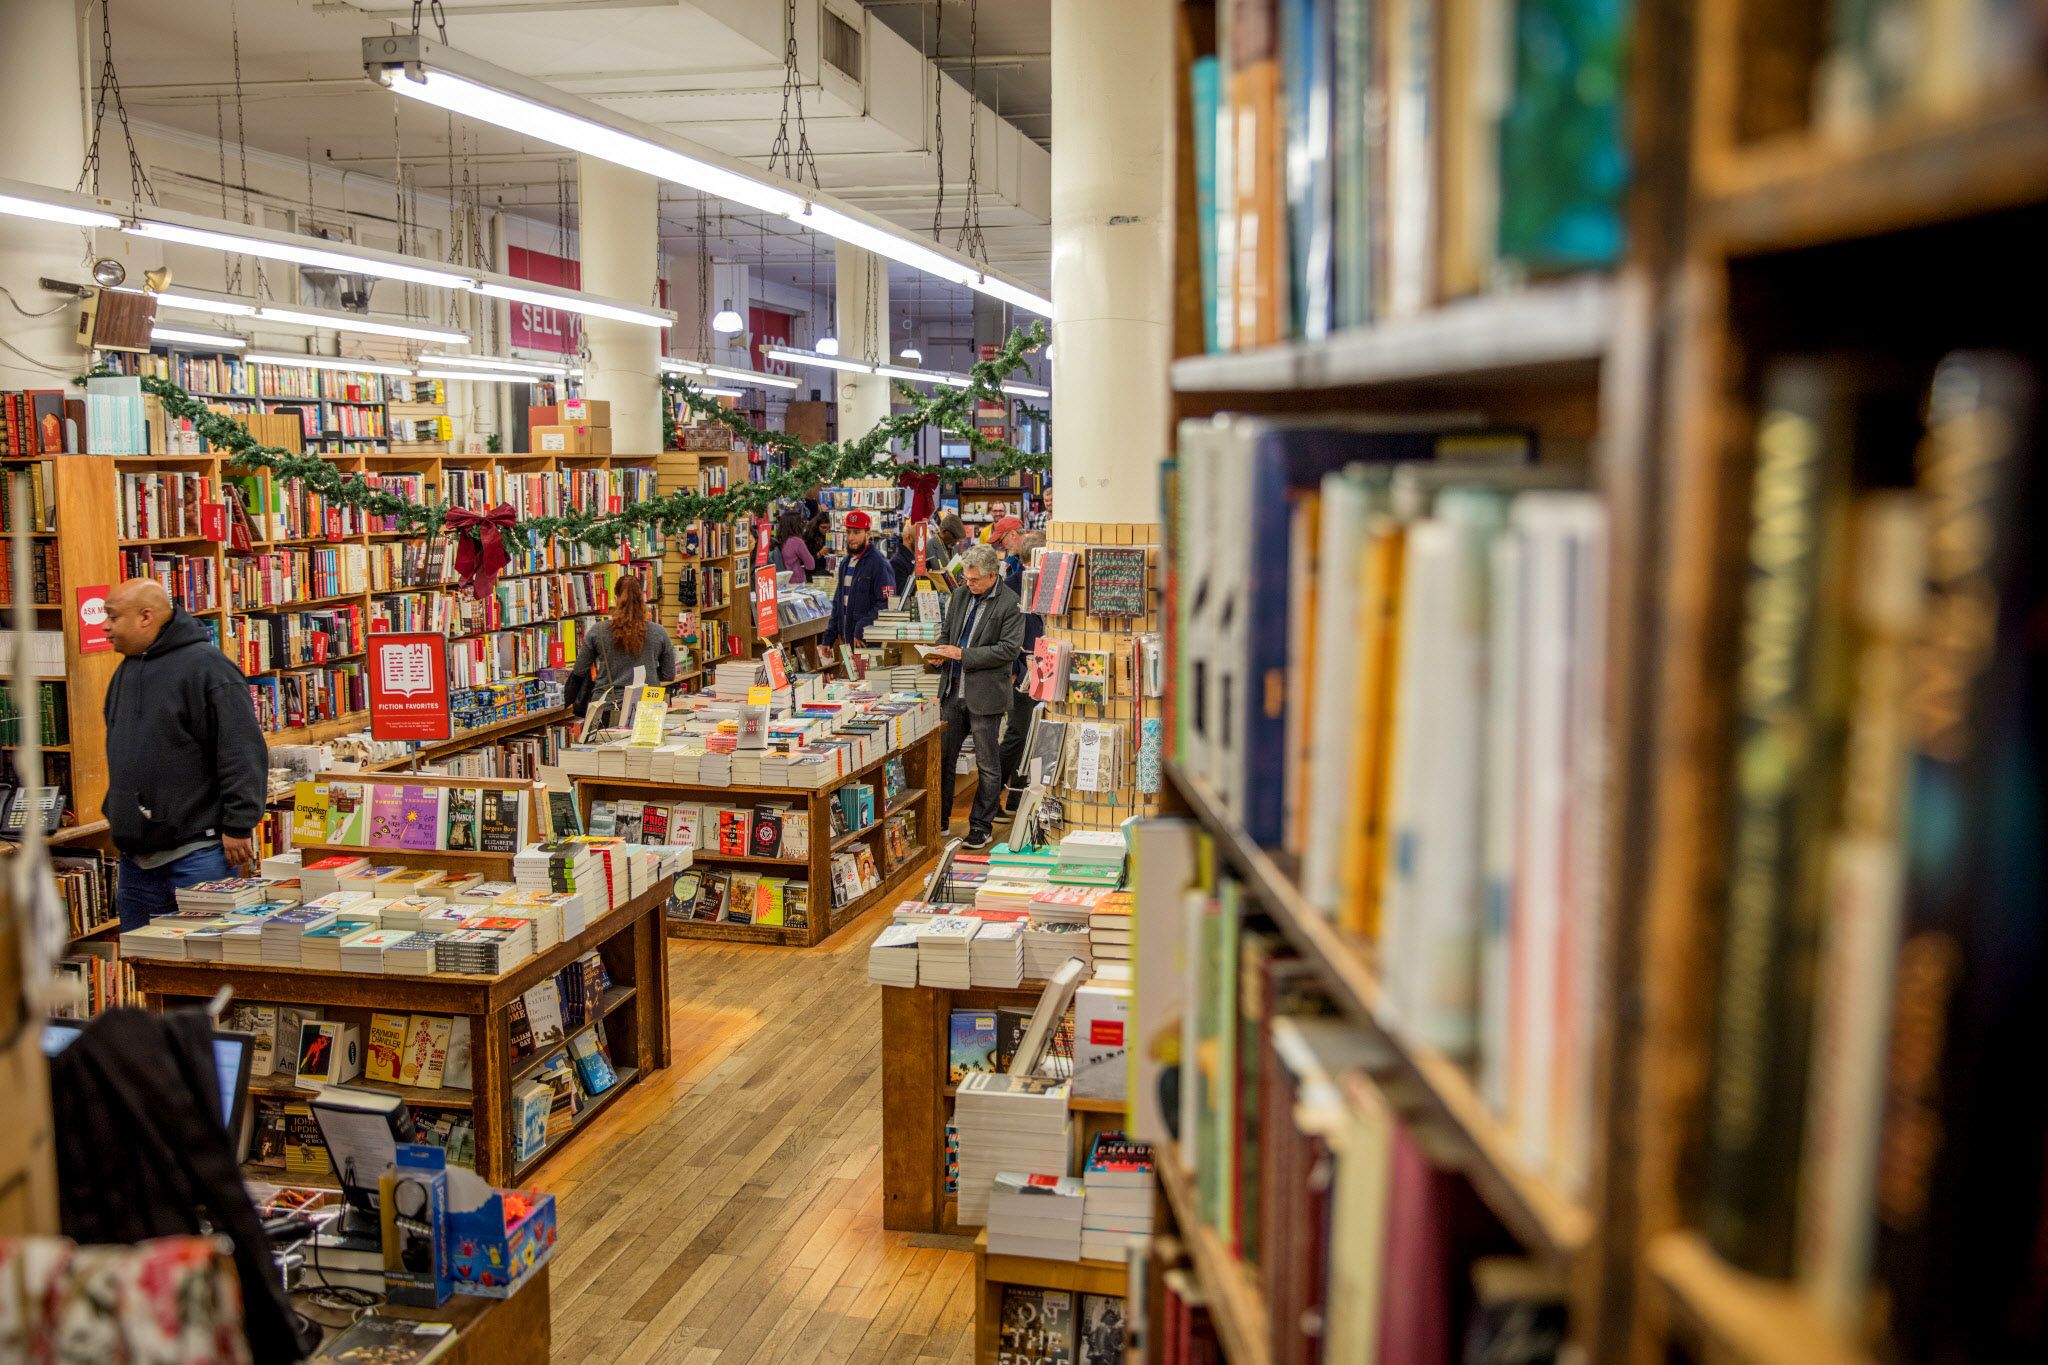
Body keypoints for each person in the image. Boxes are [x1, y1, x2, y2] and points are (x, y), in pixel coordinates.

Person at [101, 578, 269, 930]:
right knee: (144, 958)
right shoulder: (126, 670)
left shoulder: (208, 668)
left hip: (198, 853)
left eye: (113, 617)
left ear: (146, 616)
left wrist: (239, 823)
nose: (105, 626)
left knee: (205, 956)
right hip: (136, 858)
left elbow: (241, 750)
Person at [931, 544, 1025, 848]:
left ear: (992, 575)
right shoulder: (960, 595)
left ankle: (981, 826)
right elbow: (948, 634)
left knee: (987, 764)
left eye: (974, 580)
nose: (968, 584)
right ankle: (940, 819)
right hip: (952, 691)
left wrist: (963, 655)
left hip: (986, 695)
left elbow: (1008, 650)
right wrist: (939, 652)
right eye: (966, 579)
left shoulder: (1010, 603)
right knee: (943, 758)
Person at [568, 573, 675, 725]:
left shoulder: (598, 631)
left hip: (607, 707)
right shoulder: (659, 632)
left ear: (616, 598)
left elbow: (579, 670)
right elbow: (669, 674)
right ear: (642, 599)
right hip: (647, 706)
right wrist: (647, 672)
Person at [997, 527, 1046, 808]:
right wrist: (1016, 668)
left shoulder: (1045, 583)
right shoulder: (1011, 587)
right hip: (1022, 673)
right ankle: (991, 798)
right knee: (1018, 733)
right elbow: (1006, 634)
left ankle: (1017, 799)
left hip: (1044, 669)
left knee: (1034, 735)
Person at [825, 508, 895, 647]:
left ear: (868, 533)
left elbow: (887, 603)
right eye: (848, 532)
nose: (851, 537)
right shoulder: (845, 563)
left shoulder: (879, 564)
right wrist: (829, 637)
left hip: (867, 643)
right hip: (848, 642)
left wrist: (862, 628)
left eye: (856, 532)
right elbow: (838, 603)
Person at [775, 507, 816, 584]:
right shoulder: (797, 542)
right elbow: (811, 565)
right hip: (796, 582)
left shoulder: (780, 540)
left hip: (781, 581)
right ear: (797, 525)